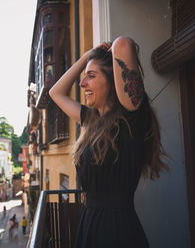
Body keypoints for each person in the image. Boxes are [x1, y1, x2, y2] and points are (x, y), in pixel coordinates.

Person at [49, 37, 169, 248]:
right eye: (84, 77)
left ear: (114, 81)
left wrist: (104, 51)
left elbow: (123, 44)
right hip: (89, 226)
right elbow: (55, 92)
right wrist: (88, 56)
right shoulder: (93, 119)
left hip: (117, 232)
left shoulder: (131, 117)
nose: (82, 83)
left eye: (91, 76)